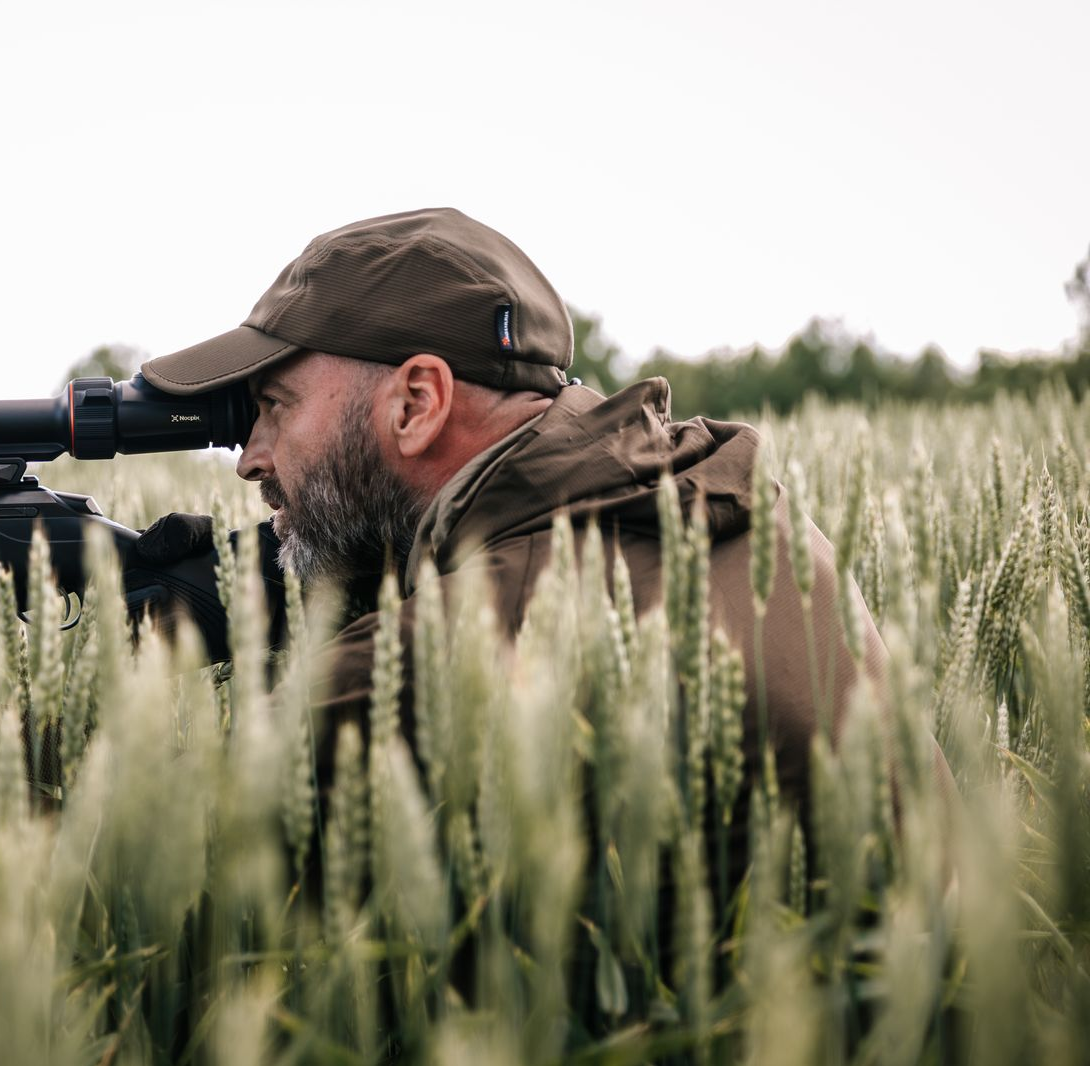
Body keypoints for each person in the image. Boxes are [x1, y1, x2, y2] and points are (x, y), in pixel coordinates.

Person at [129, 206, 954, 870]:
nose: (252, 459)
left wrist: (122, 646)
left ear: (417, 402)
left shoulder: (458, 640)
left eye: (274, 406)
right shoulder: (713, 495)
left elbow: (133, 867)